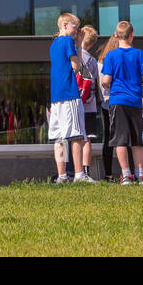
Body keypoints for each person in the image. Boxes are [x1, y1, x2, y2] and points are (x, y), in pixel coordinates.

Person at [100, 21, 143, 184]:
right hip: (135, 101)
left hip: (118, 100)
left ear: (116, 36)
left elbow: (106, 79)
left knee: (120, 140)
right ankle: (140, 174)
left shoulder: (111, 55)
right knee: (137, 140)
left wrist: (105, 83)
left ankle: (126, 174)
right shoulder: (139, 54)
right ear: (132, 35)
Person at [48, 13, 87, 183]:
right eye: (74, 27)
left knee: (59, 137)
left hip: (56, 95)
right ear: (65, 25)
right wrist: (79, 44)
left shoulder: (54, 44)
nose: (76, 31)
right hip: (69, 93)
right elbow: (76, 66)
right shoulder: (67, 41)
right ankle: (79, 174)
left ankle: (62, 175)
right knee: (76, 135)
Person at [78, 25, 101, 181]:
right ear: (92, 43)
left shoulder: (76, 56)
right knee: (87, 139)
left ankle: (75, 169)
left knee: (75, 138)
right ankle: (85, 170)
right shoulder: (92, 60)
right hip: (90, 104)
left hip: (76, 103)